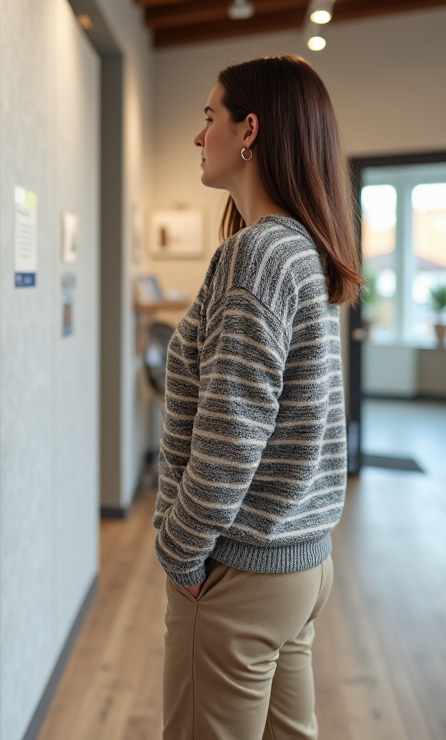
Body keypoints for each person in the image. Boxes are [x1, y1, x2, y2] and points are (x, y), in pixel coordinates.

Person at [153, 55, 361, 740]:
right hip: (300, 566)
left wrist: (181, 552)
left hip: (241, 573)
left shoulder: (256, 256)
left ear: (249, 130)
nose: (197, 135)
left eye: (208, 117)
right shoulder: (300, 248)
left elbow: (230, 436)